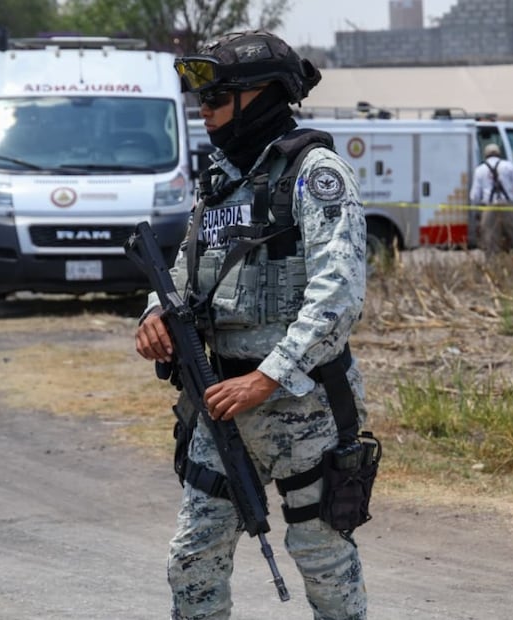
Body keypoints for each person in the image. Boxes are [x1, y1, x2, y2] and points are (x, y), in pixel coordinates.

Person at [135, 31, 370, 620]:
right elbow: (185, 272)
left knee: (322, 557)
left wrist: (265, 379)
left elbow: (337, 298)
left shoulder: (316, 173)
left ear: (258, 95)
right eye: (202, 105)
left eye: (214, 102)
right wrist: (154, 315)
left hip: (303, 406)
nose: (205, 116)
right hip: (221, 404)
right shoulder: (220, 182)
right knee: (193, 557)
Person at [469, 142, 513, 254]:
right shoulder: (508, 165)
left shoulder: (480, 170)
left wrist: (477, 210)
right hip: (508, 206)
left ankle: (494, 267)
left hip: (490, 208)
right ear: (499, 154)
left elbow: (474, 196)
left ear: (485, 155)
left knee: (490, 241)